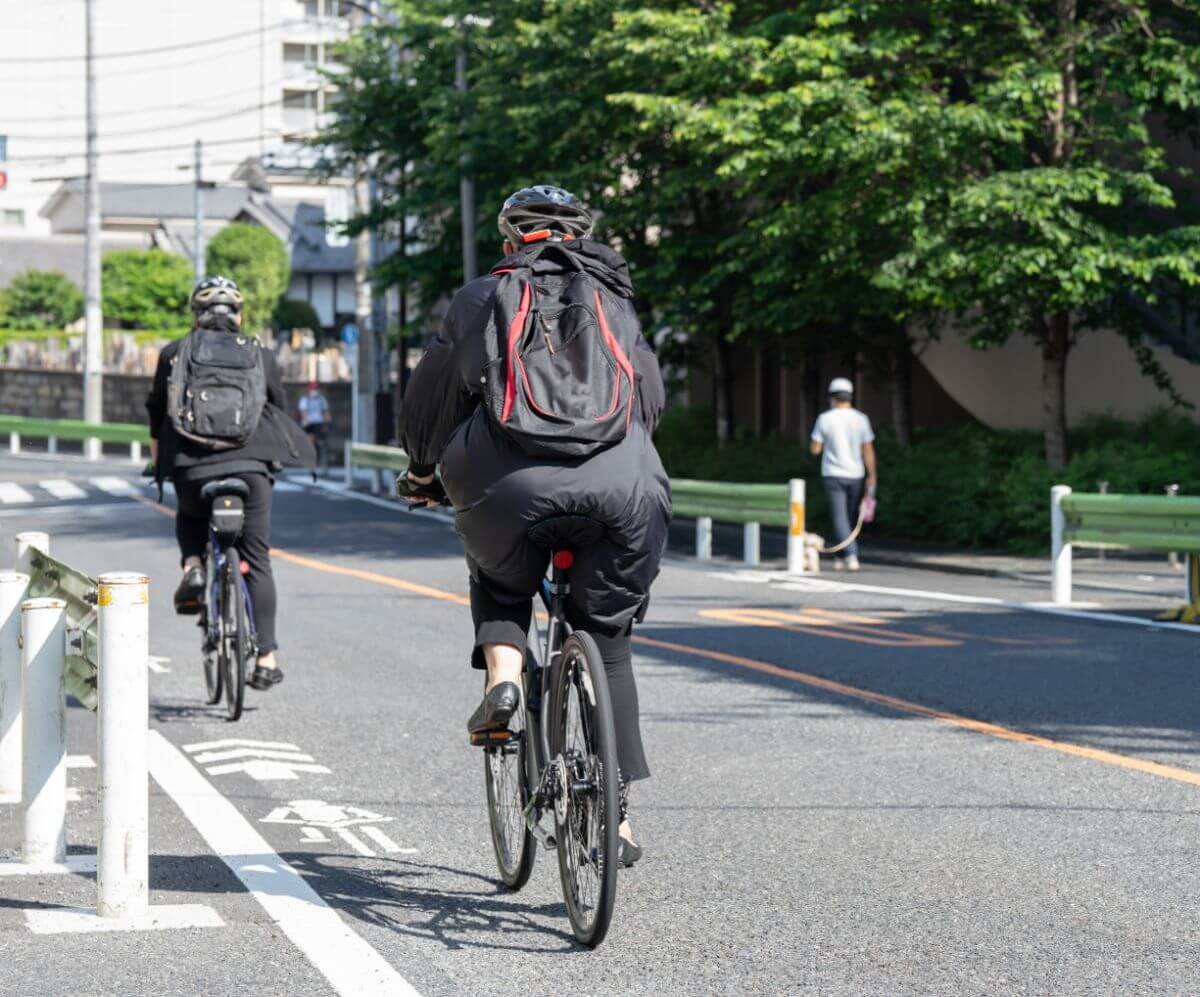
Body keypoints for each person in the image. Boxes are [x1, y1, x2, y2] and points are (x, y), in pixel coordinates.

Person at [398, 185, 670, 866]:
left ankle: (503, 680)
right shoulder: (614, 297)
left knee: (499, 577)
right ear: (579, 237)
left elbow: (432, 398)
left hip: (507, 487)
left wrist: (422, 470)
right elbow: (651, 399)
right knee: (607, 642)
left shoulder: (481, 298)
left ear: (509, 241)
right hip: (622, 485)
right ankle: (618, 817)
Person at [146, 276, 315, 690]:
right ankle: (267, 658)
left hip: (192, 464)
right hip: (251, 467)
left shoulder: (174, 353)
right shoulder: (260, 354)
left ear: (196, 316)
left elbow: (157, 415)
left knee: (189, 516)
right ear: (238, 316)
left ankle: (193, 567)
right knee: (256, 560)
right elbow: (279, 411)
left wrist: (159, 467)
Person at [809, 376, 876, 571]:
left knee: (840, 516)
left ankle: (850, 554)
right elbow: (868, 449)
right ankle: (842, 554)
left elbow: (815, 449)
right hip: (856, 473)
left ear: (832, 397)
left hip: (833, 473)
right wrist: (872, 475)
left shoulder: (825, 419)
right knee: (849, 515)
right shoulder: (861, 419)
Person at [297, 381, 331, 469]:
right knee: (310, 441)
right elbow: (303, 411)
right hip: (309, 423)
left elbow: (325, 411)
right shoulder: (305, 399)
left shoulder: (321, 399)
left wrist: (327, 419)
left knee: (321, 441)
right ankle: (310, 459)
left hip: (319, 422)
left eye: (316, 389)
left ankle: (320, 460)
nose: (314, 391)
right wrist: (305, 419)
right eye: (313, 389)